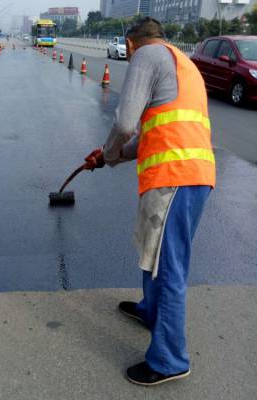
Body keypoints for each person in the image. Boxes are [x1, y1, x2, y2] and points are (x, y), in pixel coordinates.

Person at [85, 17, 216, 386]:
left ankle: (170, 359)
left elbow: (126, 122)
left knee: (170, 268)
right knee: (154, 253)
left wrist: (108, 151)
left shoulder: (146, 56)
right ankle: (150, 311)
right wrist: (111, 157)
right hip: (192, 176)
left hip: (176, 177)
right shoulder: (180, 61)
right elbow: (144, 138)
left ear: (129, 45)